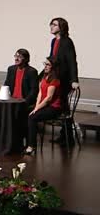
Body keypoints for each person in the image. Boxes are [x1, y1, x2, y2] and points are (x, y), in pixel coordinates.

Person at [48, 17, 79, 146]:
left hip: (64, 79)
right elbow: (52, 59)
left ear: (61, 27)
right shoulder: (54, 41)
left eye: (54, 25)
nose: (51, 26)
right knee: (61, 107)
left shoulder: (67, 42)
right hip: (55, 77)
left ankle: (68, 137)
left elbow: (72, 61)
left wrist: (74, 80)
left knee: (64, 108)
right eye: (51, 24)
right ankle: (64, 135)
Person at [24, 57, 62, 155]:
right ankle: (24, 141)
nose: (45, 66)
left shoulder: (55, 80)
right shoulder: (45, 77)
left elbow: (48, 98)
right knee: (25, 111)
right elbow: (40, 93)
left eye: (47, 64)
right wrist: (36, 106)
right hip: (44, 105)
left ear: (53, 67)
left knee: (32, 117)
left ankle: (31, 146)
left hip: (54, 108)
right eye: (44, 64)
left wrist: (36, 109)